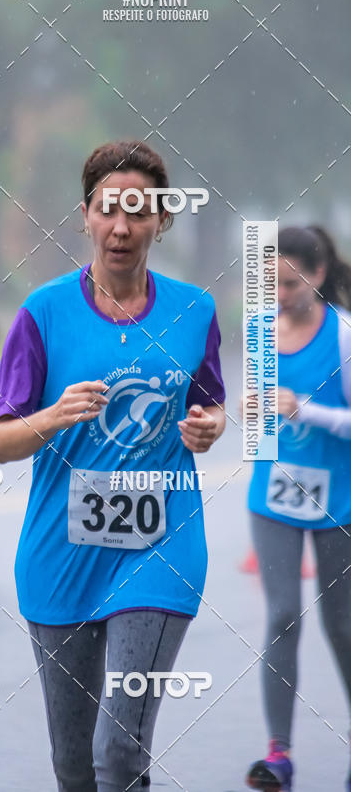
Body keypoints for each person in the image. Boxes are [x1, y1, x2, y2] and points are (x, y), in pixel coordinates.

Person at [0, 141, 226, 791]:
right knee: (74, 766)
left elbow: (210, 403)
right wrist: (53, 415)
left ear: (162, 219)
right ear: (85, 216)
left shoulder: (194, 312)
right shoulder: (42, 313)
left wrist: (210, 426)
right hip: (60, 552)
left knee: (118, 750)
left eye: (138, 212)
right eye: (107, 210)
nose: (121, 228)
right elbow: (1, 443)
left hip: (161, 546)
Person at [245, 226, 351, 792]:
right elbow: (261, 427)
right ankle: (278, 754)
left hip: (340, 501)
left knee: (343, 627)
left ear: (317, 275)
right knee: (283, 615)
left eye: (289, 284)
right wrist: (250, 414)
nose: (279, 295)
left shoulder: (343, 336)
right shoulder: (260, 332)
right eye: (271, 284)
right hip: (274, 499)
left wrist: (305, 409)